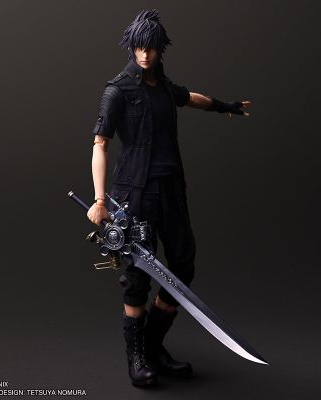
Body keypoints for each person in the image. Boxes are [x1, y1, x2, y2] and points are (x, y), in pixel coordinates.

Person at [87, 9, 250, 388]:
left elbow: (189, 97)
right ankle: (137, 358)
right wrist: (99, 199)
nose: (145, 55)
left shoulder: (163, 86)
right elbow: (100, 144)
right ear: (131, 47)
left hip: (171, 189)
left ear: (161, 49)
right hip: (133, 195)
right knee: (137, 275)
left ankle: (153, 345)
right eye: (139, 47)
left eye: (152, 48)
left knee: (182, 263)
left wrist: (225, 106)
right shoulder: (117, 90)